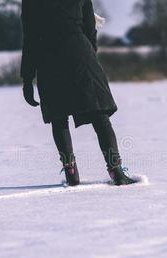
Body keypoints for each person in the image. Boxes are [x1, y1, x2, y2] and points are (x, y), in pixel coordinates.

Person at [21, 0, 136, 186]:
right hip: (80, 53)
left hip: (48, 57)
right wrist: (89, 54)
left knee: (59, 118)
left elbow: (30, 37)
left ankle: (71, 170)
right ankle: (116, 170)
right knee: (99, 114)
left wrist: (27, 78)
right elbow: (90, 27)